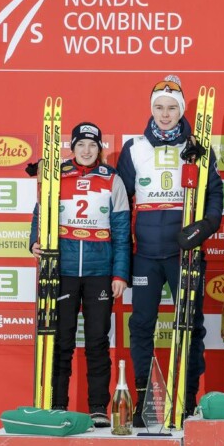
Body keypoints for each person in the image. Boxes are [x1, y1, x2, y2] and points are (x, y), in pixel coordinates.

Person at [117, 75, 223, 426]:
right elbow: (117, 204)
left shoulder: (199, 146)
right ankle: (145, 399)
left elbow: (215, 197)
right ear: (151, 110)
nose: (165, 114)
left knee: (190, 325)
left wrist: (203, 228)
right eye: (159, 108)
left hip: (185, 252)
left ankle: (188, 399)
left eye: (172, 108)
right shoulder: (134, 149)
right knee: (142, 325)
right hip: (146, 254)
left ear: (181, 110)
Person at [30, 122, 131, 427]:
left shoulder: (113, 180)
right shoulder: (57, 175)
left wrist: (120, 274)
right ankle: (58, 404)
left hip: (100, 272)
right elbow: (40, 213)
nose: (86, 151)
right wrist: (34, 240)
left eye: (92, 145)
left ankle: (98, 406)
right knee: (61, 340)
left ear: (100, 148)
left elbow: (123, 232)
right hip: (63, 271)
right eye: (81, 145)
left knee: (98, 342)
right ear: (71, 147)